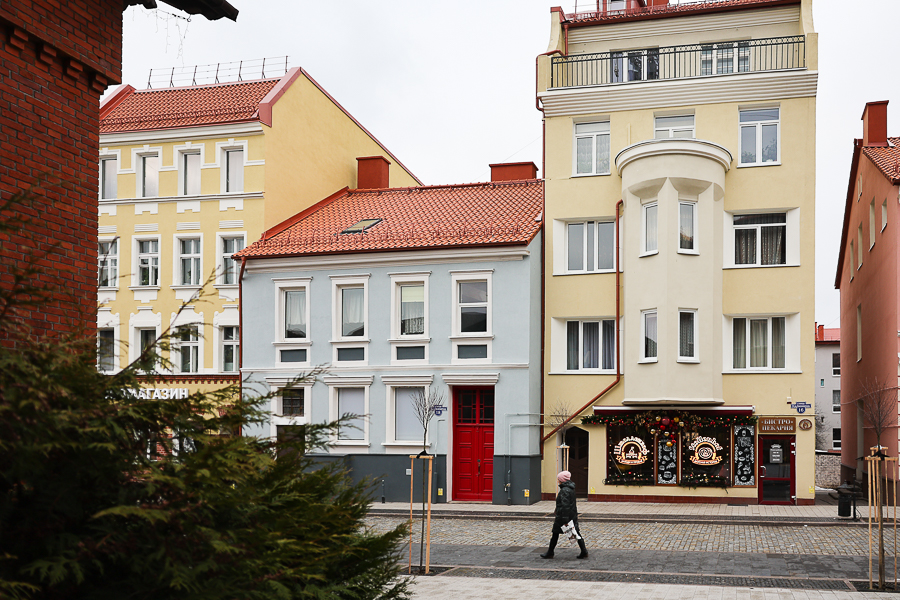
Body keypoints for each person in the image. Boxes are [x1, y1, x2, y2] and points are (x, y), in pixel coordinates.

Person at [540, 470, 588, 559]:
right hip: (570, 515)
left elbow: (565, 505)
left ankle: (550, 552)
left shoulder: (565, 490)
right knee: (574, 533)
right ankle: (583, 551)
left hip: (563, 516)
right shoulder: (570, 488)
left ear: (562, 480)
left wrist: (565, 519)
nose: (558, 480)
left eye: (558, 479)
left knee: (557, 534)